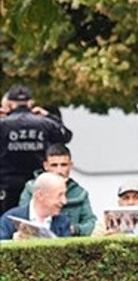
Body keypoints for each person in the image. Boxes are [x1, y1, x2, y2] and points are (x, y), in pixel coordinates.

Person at [0, 84, 73, 214]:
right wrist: (50, 116)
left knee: (7, 220)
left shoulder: (3, 124)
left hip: (7, 183)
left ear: (10, 104)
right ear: (31, 103)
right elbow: (65, 136)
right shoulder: (45, 122)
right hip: (38, 181)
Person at [17, 144, 95, 237]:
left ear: (71, 166)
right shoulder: (32, 188)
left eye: (63, 165)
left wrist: (73, 229)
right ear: (46, 166)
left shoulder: (79, 193)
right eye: (54, 165)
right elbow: (22, 217)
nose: (59, 170)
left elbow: (90, 223)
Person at [1, 172, 70, 240]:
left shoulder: (62, 221)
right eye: (59, 195)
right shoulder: (10, 220)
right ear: (40, 195)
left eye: (64, 195)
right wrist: (13, 244)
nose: (64, 201)